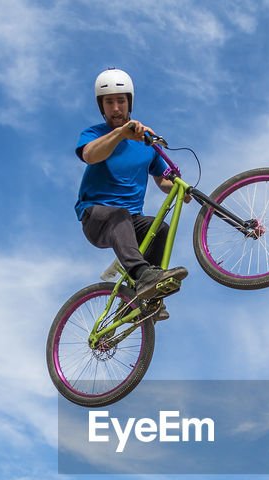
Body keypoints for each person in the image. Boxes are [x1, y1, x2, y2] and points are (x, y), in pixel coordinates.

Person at [75, 68, 188, 314]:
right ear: (101, 108)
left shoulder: (147, 143)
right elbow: (90, 156)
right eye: (109, 102)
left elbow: (162, 180)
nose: (116, 108)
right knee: (119, 214)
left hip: (130, 221)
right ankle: (143, 275)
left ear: (129, 103)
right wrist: (120, 134)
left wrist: (181, 189)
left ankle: (143, 299)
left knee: (158, 228)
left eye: (120, 101)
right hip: (96, 216)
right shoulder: (95, 134)